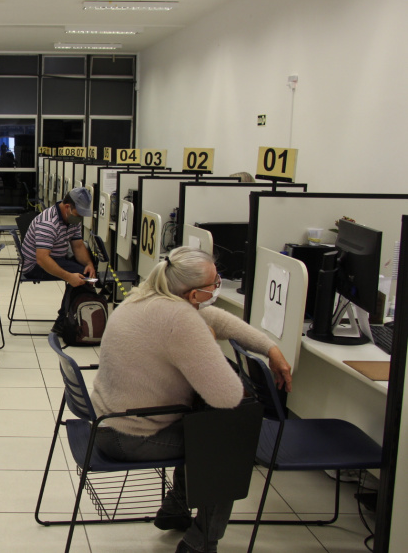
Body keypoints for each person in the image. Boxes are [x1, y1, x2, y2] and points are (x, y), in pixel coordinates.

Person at [90, 246, 293, 553]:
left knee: (200, 423)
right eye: (214, 283)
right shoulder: (180, 320)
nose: (217, 287)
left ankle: (175, 509)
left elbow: (215, 317)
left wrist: (270, 348)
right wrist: (208, 342)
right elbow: (227, 397)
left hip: (108, 424)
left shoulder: (146, 296)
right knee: (229, 441)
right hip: (130, 437)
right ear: (194, 294)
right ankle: (200, 544)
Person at [21, 187, 96, 334]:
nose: (80, 218)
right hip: (35, 266)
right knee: (79, 275)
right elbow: (42, 259)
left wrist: (89, 264)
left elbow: (78, 246)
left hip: (55, 257)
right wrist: (69, 277)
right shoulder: (48, 222)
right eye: (78, 214)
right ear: (67, 207)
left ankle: (71, 317)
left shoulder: (72, 218)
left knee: (85, 272)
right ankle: (62, 323)